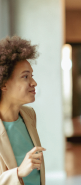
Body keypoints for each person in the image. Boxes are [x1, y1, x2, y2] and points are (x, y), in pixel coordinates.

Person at [0, 36, 46, 185]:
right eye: (25, 76)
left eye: (31, 76)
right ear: (4, 84)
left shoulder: (29, 115)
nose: (34, 82)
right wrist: (18, 173)